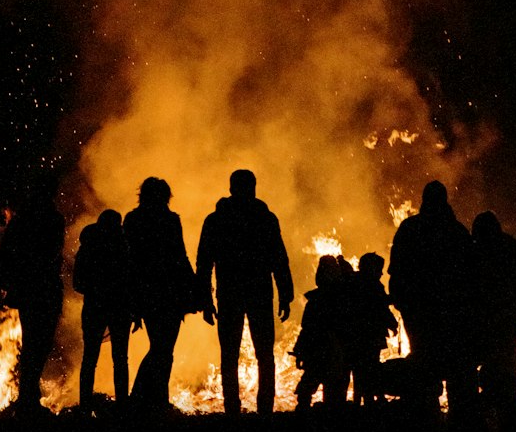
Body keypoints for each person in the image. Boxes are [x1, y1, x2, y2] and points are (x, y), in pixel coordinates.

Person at [196, 169, 294, 415]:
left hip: (230, 294)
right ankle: (265, 409)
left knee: (230, 355)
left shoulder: (216, 220)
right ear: (253, 187)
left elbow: (204, 264)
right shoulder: (265, 218)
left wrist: (206, 301)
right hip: (258, 293)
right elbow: (279, 259)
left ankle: (233, 409)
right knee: (264, 355)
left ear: (231, 188)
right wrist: (285, 293)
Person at [387, 179, 480, 426]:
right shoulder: (457, 232)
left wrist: (400, 300)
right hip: (451, 312)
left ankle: (426, 417)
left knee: (423, 360)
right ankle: (460, 422)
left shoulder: (410, 229)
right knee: (455, 363)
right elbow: (471, 274)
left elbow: (396, 270)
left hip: (419, 312)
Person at [0, 171, 66, 415]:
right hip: (43, 288)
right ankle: (27, 400)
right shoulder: (52, 218)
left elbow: (7, 252)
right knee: (39, 344)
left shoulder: (22, 219)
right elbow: (51, 253)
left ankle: (27, 397)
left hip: (27, 289)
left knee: (34, 342)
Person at [123, 177, 199, 416]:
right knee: (163, 348)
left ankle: (149, 399)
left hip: (152, 293)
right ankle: (148, 400)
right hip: (166, 293)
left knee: (162, 347)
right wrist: (193, 286)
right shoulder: (168, 220)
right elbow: (180, 256)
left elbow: (130, 260)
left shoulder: (134, 220)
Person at [471, 210, 516, 431]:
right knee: (504, 366)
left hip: (497, 322)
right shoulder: (511, 248)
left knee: (500, 367)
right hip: (504, 322)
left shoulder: (485, 250)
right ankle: (508, 415)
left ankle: (507, 415)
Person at [73, 210, 133, 416]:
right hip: (119, 309)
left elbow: (78, 284)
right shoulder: (124, 249)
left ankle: (85, 407)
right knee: (120, 359)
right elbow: (130, 281)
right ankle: (122, 406)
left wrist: (96, 289)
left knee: (90, 358)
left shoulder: (88, 249)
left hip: (95, 308)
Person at [292, 255, 351, 409]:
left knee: (312, 380)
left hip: (319, 352)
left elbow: (306, 330)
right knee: (333, 389)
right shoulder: (343, 299)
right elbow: (307, 329)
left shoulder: (316, 301)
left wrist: (300, 350)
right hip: (332, 353)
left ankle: (304, 409)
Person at [352, 252, 399, 407]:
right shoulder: (373, 286)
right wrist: (393, 323)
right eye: (379, 269)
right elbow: (380, 308)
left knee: (359, 369)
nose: (381, 273)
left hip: (356, 336)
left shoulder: (354, 283)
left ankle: (360, 399)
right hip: (371, 335)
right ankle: (371, 399)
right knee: (371, 367)